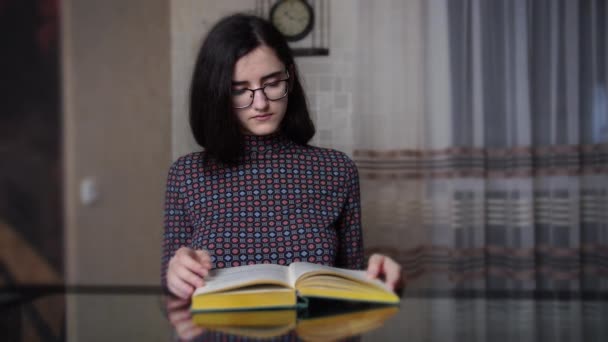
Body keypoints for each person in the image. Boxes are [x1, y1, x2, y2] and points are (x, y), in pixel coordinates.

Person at [162, 14, 403, 300]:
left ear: (289, 77)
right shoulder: (186, 175)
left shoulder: (337, 170)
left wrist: (379, 277)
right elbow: (173, 298)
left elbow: (349, 287)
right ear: (216, 94)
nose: (261, 103)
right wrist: (176, 276)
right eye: (240, 90)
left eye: (273, 83)